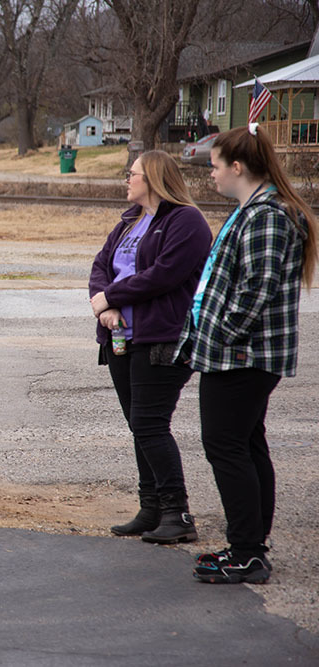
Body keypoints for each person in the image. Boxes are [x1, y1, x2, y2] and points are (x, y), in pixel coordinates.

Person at [175, 124, 317, 584]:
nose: (211, 174)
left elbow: (257, 289)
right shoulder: (253, 210)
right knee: (247, 444)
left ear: (237, 167)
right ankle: (250, 544)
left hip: (242, 356)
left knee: (225, 446)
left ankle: (248, 551)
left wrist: (220, 335)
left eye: (215, 166)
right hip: (240, 354)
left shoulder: (267, 216)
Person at [89, 150, 212, 544]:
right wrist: (105, 308)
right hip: (121, 337)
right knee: (138, 426)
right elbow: (100, 266)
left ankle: (178, 513)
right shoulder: (130, 221)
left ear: (154, 178)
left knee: (149, 423)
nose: (127, 178)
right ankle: (152, 507)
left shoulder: (185, 221)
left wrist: (111, 297)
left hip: (162, 336)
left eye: (134, 173)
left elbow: (164, 275)